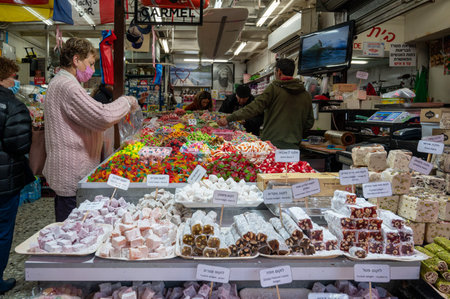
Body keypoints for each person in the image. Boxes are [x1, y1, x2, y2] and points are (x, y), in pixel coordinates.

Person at [44, 38, 139, 222]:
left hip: (71, 171)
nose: (92, 70)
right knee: (72, 231)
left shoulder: (62, 83)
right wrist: (126, 101)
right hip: (71, 174)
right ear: (76, 60)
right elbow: (101, 117)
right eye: (90, 63)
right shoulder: (67, 86)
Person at [218, 58, 314, 149]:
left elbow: (254, 108)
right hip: (294, 145)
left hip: (272, 144)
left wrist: (229, 118)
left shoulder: (274, 89)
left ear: (279, 72)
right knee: (290, 167)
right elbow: (309, 123)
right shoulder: (306, 95)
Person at [0, 57, 33, 294]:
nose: (15, 81)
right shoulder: (12, 105)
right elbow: (20, 144)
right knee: (2, 230)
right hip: (4, 180)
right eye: (13, 76)